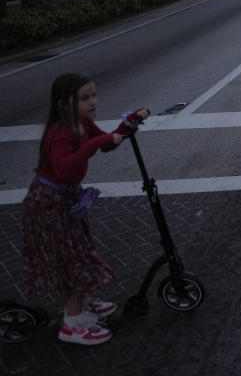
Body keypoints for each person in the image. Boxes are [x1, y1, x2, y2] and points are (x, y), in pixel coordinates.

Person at [21, 73, 149, 346]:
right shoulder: (60, 133)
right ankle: (73, 323)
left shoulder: (83, 122)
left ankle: (84, 302)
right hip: (49, 204)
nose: (93, 102)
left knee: (79, 251)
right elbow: (66, 169)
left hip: (67, 199)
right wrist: (96, 142)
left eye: (94, 96)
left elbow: (106, 144)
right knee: (68, 260)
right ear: (63, 104)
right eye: (84, 98)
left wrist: (128, 124)